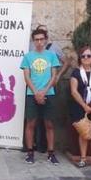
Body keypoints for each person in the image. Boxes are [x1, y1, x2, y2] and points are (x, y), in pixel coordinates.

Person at [20, 28, 61, 165]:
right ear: (33, 41)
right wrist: (36, 92)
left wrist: (44, 91)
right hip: (32, 94)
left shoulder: (51, 56)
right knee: (31, 123)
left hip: (48, 93)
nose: (39, 42)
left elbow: (54, 75)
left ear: (45, 40)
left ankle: (51, 153)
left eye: (41, 39)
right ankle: (30, 152)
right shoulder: (28, 57)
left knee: (49, 124)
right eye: (36, 39)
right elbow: (27, 76)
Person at [30, 25, 67, 153]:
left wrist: (57, 76)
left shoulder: (53, 48)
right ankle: (31, 146)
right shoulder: (31, 49)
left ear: (46, 37)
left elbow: (66, 61)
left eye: (44, 33)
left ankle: (45, 147)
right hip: (34, 90)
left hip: (49, 88)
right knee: (32, 120)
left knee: (48, 121)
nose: (40, 40)